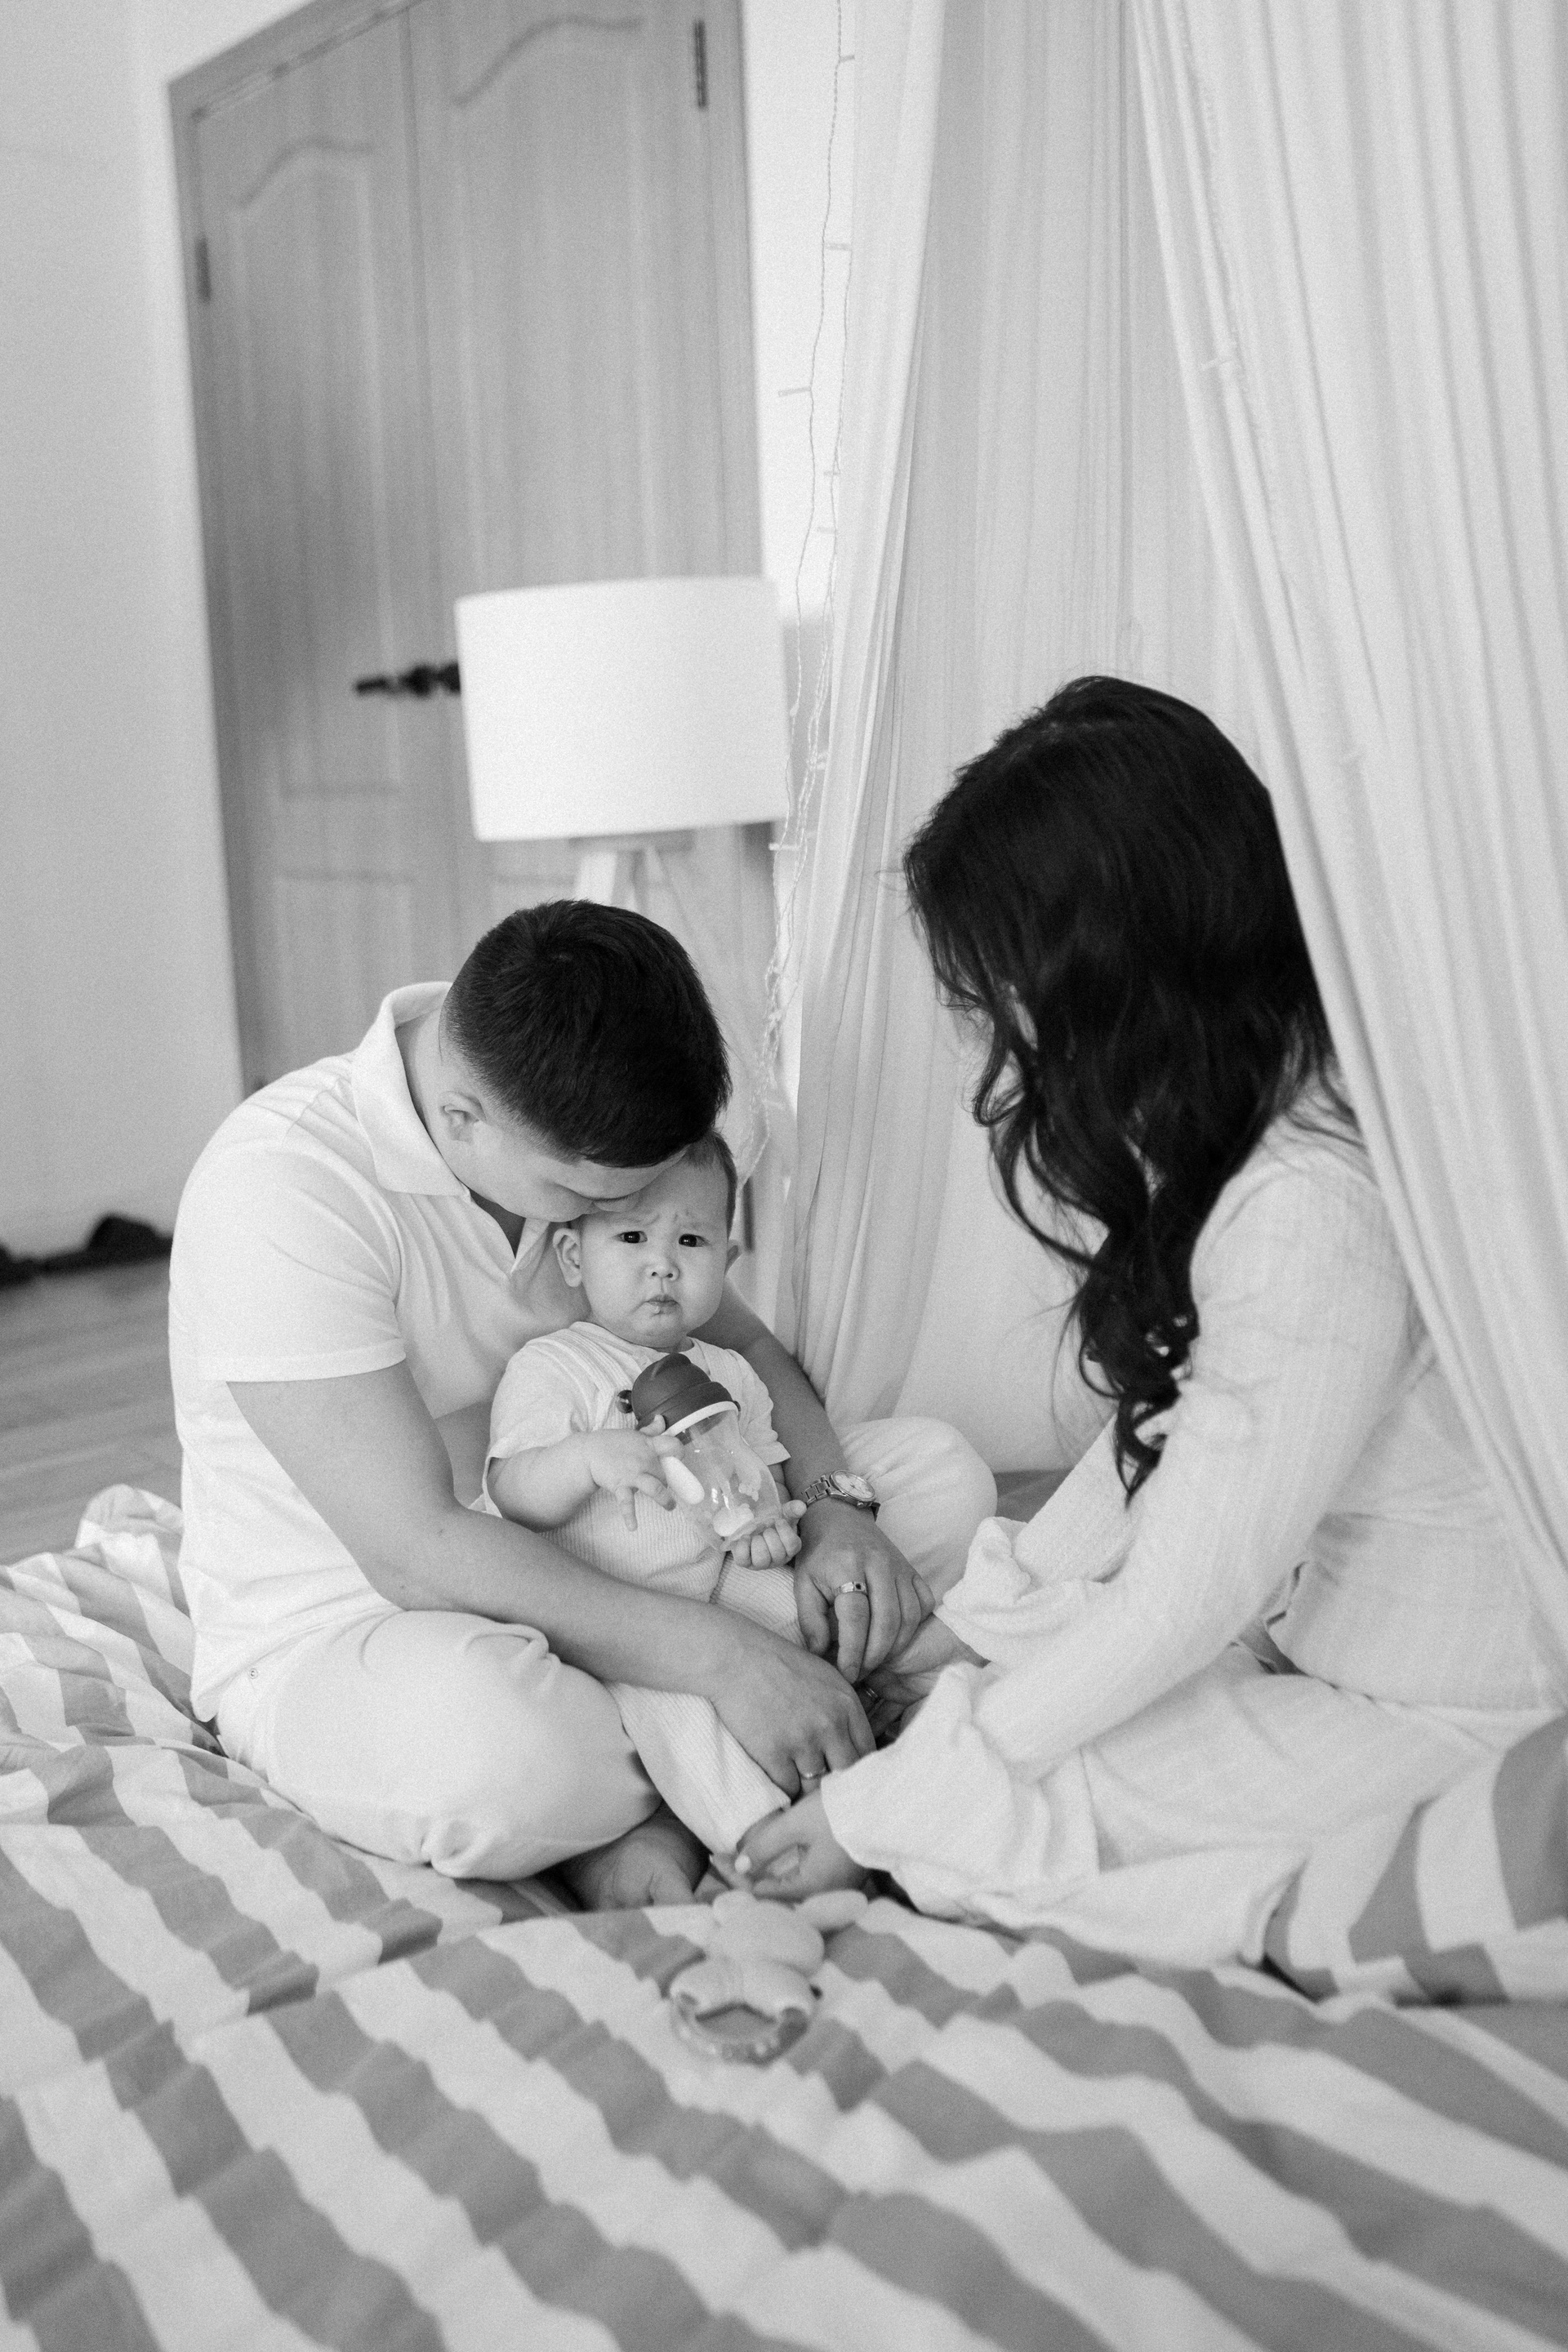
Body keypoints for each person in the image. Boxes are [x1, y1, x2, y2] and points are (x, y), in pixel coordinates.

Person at [728, 678, 1565, 1951]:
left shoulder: (1311, 1206)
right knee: (997, 1715)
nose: (988, 1033)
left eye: (996, 990)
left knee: (996, 1812)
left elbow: (1184, 1595)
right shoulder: (1263, 1114)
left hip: (1447, 1717)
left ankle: (1339, 1913)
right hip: (1307, 1644)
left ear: (1103, 973)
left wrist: (874, 1813)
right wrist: (961, 1636)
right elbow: (1160, 1451)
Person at [170, 901, 995, 1907]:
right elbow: (414, 1548)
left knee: (942, 1481)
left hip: (645, 1536)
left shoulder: (581, 1113)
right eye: (591, 1199)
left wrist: (834, 1508)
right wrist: (722, 1657)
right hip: (372, 1614)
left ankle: (690, 1761)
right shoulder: (282, 1188)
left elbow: (744, 1344)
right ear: (463, 1122)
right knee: (506, 1758)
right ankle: (707, 1759)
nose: (616, 1220)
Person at [481, 1130, 871, 1860]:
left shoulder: (732, 1371)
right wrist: (583, 1460)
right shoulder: (555, 1367)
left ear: (726, 1261)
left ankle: (873, 1715)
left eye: (691, 1241)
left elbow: (763, 1476)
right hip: (621, 1619)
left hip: (722, 1579)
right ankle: (762, 1835)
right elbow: (510, 1490)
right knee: (673, 1714)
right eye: (632, 1237)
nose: (662, 1264)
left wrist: (767, 1529)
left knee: (815, 1617)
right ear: (574, 1256)